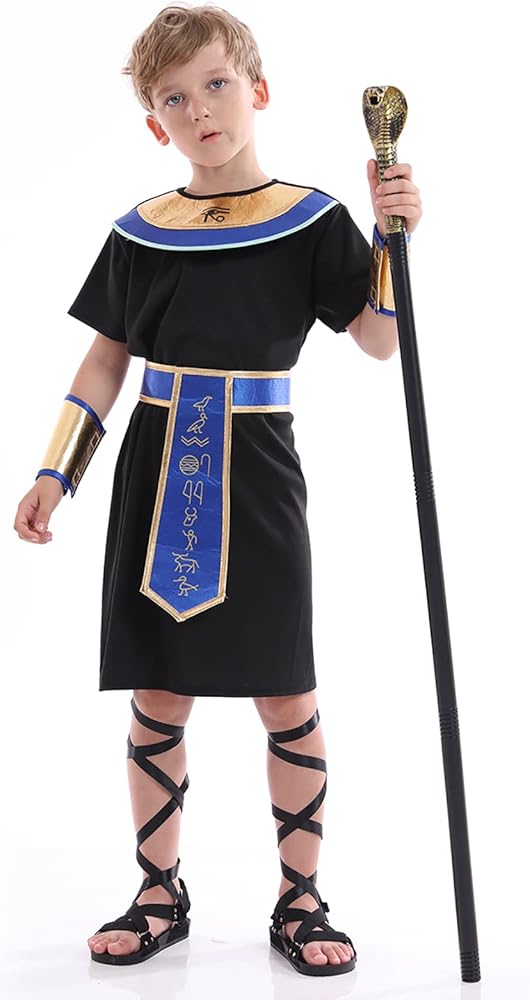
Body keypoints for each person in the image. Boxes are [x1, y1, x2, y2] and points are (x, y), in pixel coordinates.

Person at [13, 2, 422, 976]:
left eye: (215, 84)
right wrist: (54, 471)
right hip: (156, 468)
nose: (198, 108)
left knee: (285, 687)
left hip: (258, 467)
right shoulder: (141, 232)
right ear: (154, 122)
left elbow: (378, 340)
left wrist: (391, 240)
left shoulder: (311, 219)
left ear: (258, 90)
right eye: (173, 98)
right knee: (159, 687)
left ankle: (301, 898)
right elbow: (105, 359)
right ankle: (159, 891)